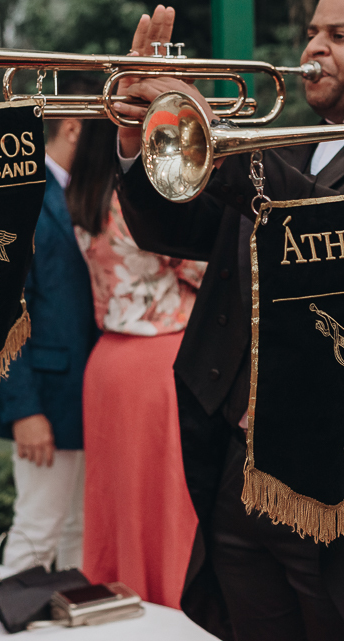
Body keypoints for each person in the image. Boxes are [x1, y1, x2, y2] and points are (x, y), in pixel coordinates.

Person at [114, 0, 344, 641]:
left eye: (340, 35)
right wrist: (138, 136)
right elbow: (172, 230)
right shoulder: (284, 140)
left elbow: (334, 234)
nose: (314, 47)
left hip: (343, 473)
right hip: (241, 463)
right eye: (313, 31)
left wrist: (203, 119)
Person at [67, 118, 205, 608]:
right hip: (160, 357)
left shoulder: (83, 199)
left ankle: (125, 596)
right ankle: (172, 603)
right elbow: (207, 268)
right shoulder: (141, 205)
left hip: (108, 365)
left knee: (120, 502)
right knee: (169, 501)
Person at [0, 117, 96, 572]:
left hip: (86, 396)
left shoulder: (84, 192)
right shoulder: (21, 191)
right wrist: (24, 409)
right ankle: (16, 622)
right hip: (42, 400)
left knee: (82, 530)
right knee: (37, 528)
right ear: (72, 128)